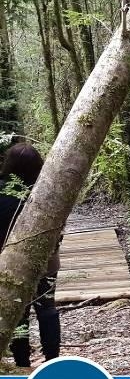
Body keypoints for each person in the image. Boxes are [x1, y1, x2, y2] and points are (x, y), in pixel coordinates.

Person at [0, 143, 61, 367]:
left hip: (8, 262)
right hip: (46, 261)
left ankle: (22, 363)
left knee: (19, 313)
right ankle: (53, 361)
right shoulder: (48, 190)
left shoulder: (2, 191)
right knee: (47, 308)